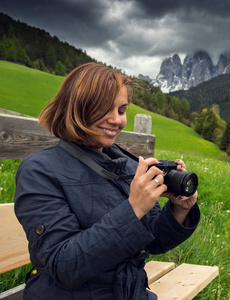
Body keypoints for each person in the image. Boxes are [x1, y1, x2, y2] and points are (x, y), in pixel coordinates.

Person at [14, 62, 200, 300]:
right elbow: (64, 265)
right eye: (104, 109)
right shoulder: (39, 171)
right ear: (77, 108)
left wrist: (179, 210)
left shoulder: (129, 166)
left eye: (122, 110)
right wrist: (133, 209)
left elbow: (154, 240)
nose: (116, 120)